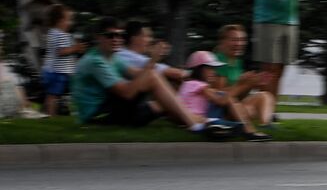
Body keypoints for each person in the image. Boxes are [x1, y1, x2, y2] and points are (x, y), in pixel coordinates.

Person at [71, 17, 228, 135]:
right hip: (97, 116)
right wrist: (153, 61)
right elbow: (127, 92)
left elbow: (139, 75)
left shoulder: (112, 57)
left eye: (119, 35)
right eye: (110, 35)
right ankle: (194, 124)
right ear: (98, 37)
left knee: (163, 102)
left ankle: (206, 121)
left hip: (111, 109)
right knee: (153, 77)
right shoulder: (95, 61)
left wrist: (158, 74)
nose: (116, 39)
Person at [179, 51, 268, 140]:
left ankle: (232, 127)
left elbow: (220, 95)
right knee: (226, 98)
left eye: (214, 69)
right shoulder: (196, 84)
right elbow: (221, 101)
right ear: (198, 69)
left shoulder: (190, 84)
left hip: (202, 119)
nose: (214, 72)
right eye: (209, 68)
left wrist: (242, 84)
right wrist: (242, 85)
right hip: (199, 121)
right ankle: (248, 131)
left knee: (225, 96)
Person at [212, 24, 275, 127]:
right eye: (234, 40)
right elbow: (219, 97)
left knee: (265, 96)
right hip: (221, 111)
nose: (239, 44)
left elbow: (240, 95)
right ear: (222, 42)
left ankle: (266, 124)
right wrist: (243, 84)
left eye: (242, 40)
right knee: (249, 110)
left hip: (234, 106)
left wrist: (253, 83)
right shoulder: (218, 61)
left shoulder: (237, 62)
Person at [41, 3, 85, 116]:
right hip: (57, 72)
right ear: (59, 20)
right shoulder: (61, 35)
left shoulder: (52, 33)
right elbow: (61, 51)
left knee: (51, 95)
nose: (71, 23)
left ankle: (47, 113)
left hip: (52, 70)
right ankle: (51, 115)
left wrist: (74, 50)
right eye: (68, 19)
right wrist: (75, 48)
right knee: (53, 95)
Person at [115, 20, 187, 87]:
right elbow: (177, 74)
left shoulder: (125, 53)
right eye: (147, 36)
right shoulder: (129, 56)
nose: (151, 40)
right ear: (134, 38)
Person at [0, 29, 45, 119]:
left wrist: (25, 102)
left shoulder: (3, 66)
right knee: (10, 85)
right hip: (6, 104)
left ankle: (24, 108)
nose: (1, 48)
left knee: (13, 85)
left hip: (11, 103)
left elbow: (17, 86)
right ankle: (23, 108)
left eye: (1, 45)